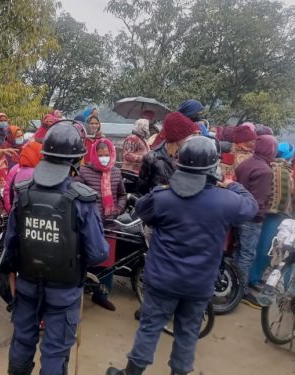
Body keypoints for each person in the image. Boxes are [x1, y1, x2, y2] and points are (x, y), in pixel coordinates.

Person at [107, 136, 258, 375]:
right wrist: (232, 185)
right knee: (187, 332)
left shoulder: (164, 198)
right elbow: (252, 206)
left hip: (162, 279)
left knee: (150, 327)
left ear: (180, 165)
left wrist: (164, 190)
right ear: (213, 169)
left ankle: (131, 372)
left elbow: (142, 209)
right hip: (199, 284)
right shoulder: (227, 201)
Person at [1, 122, 108, 375]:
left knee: (22, 341)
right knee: (55, 351)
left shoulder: (23, 193)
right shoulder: (82, 199)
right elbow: (97, 254)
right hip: (65, 293)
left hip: (27, 286)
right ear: (76, 161)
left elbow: (10, 245)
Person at [74, 138, 126, 311]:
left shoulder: (116, 172)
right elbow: (76, 193)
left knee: (107, 262)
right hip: (89, 225)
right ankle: (78, 293)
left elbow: (122, 195)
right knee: (85, 259)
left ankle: (101, 295)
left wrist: (118, 209)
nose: (104, 158)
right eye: (100, 155)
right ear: (93, 154)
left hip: (110, 224)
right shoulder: (84, 171)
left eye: (106, 155)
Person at [234, 135, 278, 306]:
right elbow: (259, 199)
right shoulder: (265, 170)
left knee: (238, 252)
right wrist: (260, 217)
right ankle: (242, 291)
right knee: (247, 254)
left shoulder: (246, 163)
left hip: (238, 212)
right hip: (251, 217)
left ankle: (234, 287)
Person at [249, 142, 294, 290]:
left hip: (261, 213)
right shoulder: (282, 170)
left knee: (258, 246)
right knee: (267, 249)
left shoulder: (267, 165)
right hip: (274, 216)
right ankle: (253, 279)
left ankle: (252, 277)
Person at [138, 112, 201, 195]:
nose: (190, 140)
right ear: (176, 138)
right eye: (187, 138)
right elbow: (142, 189)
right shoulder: (152, 158)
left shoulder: (188, 156)